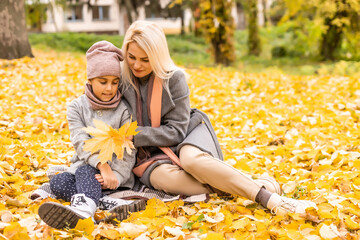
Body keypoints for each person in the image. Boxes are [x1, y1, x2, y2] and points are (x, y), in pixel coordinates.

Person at [116, 20, 317, 215]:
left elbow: (176, 132)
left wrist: (134, 135)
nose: (136, 65)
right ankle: (256, 183)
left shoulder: (174, 78)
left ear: (158, 57)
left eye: (145, 60)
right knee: (170, 182)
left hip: (186, 132)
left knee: (193, 162)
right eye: (132, 57)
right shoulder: (120, 79)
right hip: (148, 153)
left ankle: (269, 199)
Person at [37, 41, 142, 229]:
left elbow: (129, 149)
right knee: (58, 182)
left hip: (113, 177)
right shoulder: (76, 107)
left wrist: (116, 175)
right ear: (90, 79)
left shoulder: (123, 110)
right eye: (103, 82)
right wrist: (102, 166)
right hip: (88, 169)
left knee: (85, 172)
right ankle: (103, 203)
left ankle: (84, 213)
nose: (109, 89)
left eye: (115, 82)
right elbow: (80, 141)